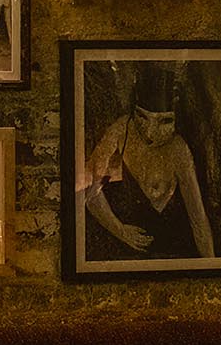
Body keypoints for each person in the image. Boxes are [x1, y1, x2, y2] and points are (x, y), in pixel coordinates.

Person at [83, 64, 214, 261]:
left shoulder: (179, 149)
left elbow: (199, 219)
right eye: (143, 118)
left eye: (164, 121)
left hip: (171, 251)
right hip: (122, 248)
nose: (151, 133)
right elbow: (91, 192)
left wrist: (211, 266)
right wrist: (120, 230)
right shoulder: (121, 130)